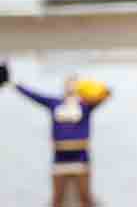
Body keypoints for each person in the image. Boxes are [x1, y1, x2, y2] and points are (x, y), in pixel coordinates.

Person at [12, 73, 111, 207]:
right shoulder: (55, 103)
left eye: (74, 84)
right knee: (57, 199)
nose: (70, 87)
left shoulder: (86, 105)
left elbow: (106, 94)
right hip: (60, 157)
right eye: (68, 84)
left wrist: (88, 87)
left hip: (80, 157)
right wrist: (14, 84)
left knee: (85, 198)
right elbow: (34, 96)